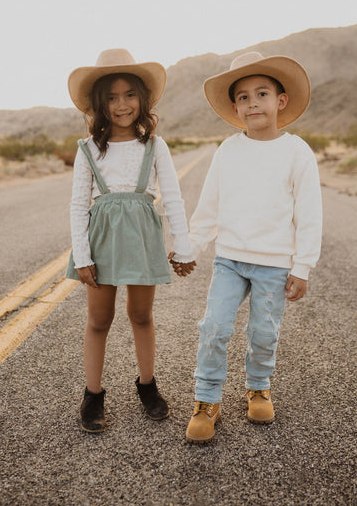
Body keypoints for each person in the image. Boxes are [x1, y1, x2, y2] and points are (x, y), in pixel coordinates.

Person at [172, 51, 322, 443]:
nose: (252, 102)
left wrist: (302, 266)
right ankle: (207, 401)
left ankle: (258, 386)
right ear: (235, 107)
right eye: (243, 96)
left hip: (274, 264)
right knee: (215, 327)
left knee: (263, 332)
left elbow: (309, 214)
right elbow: (209, 208)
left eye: (262, 93)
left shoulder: (296, 151)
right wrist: (191, 248)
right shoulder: (228, 150)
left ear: (280, 101)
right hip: (230, 261)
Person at [66, 48, 196, 433]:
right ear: (98, 104)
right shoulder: (87, 150)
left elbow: (172, 198)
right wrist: (82, 254)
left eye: (129, 95)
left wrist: (184, 246)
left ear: (143, 99)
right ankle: (93, 395)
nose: (121, 105)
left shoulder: (155, 146)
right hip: (101, 240)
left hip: (142, 238)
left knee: (141, 315)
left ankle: (147, 385)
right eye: (111, 97)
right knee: (99, 319)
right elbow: (77, 206)